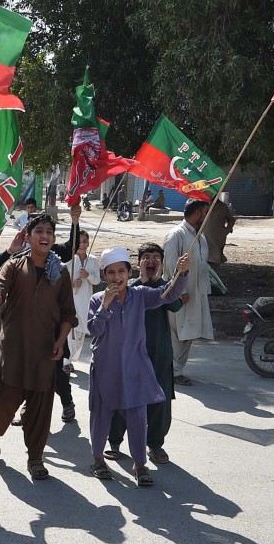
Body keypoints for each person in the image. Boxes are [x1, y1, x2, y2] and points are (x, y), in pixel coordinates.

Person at [87, 248, 191, 486]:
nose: (116, 277)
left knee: (137, 416)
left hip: (135, 367)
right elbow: (94, 330)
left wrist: (180, 273)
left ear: (129, 272)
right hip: (105, 367)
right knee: (101, 416)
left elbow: (169, 294)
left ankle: (140, 464)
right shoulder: (97, 299)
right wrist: (105, 304)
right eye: (111, 272)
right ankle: (98, 459)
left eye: (121, 271)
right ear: (105, 276)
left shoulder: (140, 295)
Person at [0, 213, 76, 480]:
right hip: (13, 350)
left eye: (49, 231)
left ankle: (35, 457)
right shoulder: (13, 266)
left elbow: (68, 313)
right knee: (4, 406)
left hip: (44, 354)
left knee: (40, 410)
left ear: (54, 238)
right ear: (28, 236)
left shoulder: (60, 272)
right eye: (39, 231)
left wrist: (60, 342)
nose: (44, 236)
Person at [106, 243, 183, 465]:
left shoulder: (165, 287)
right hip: (129, 353)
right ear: (137, 264)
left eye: (156, 258)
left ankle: (156, 444)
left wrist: (159, 281)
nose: (151, 261)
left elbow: (176, 305)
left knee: (160, 399)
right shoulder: (128, 286)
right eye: (146, 257)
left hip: (158, 352)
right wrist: (144, 282)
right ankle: (114, 441)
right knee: (123, 396)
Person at [163, 199, 214, 386]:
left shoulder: (199, 237)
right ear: (198, 213)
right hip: (180, 295)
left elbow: (202, 265)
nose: (207, 216)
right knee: (176, 333)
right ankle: (173, 371)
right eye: (205, 212)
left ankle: (177, 370)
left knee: (190, 332)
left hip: (196, 293)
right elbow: (169, 266)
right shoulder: (176, 235)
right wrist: (178, 292)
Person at [66, 229, 100, 374]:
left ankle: (71, 359)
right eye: (79, 242)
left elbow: (97, 280)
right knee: (69, 332)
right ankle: (66, 361)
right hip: (71, 301)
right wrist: (73, 284)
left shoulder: (92, 260)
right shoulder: (69, 260)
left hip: (85, 302)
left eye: (85, 241)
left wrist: (87, 276)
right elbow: (61, 281)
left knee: (80, 335)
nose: (82, 245)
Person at [203, 194, 236, 271]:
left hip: (218, 237)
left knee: (215, 259)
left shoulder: (223, 207)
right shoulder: (203, 205)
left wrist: (227, 230)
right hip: (204, 236)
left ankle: (214, 276)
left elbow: (231, 220)